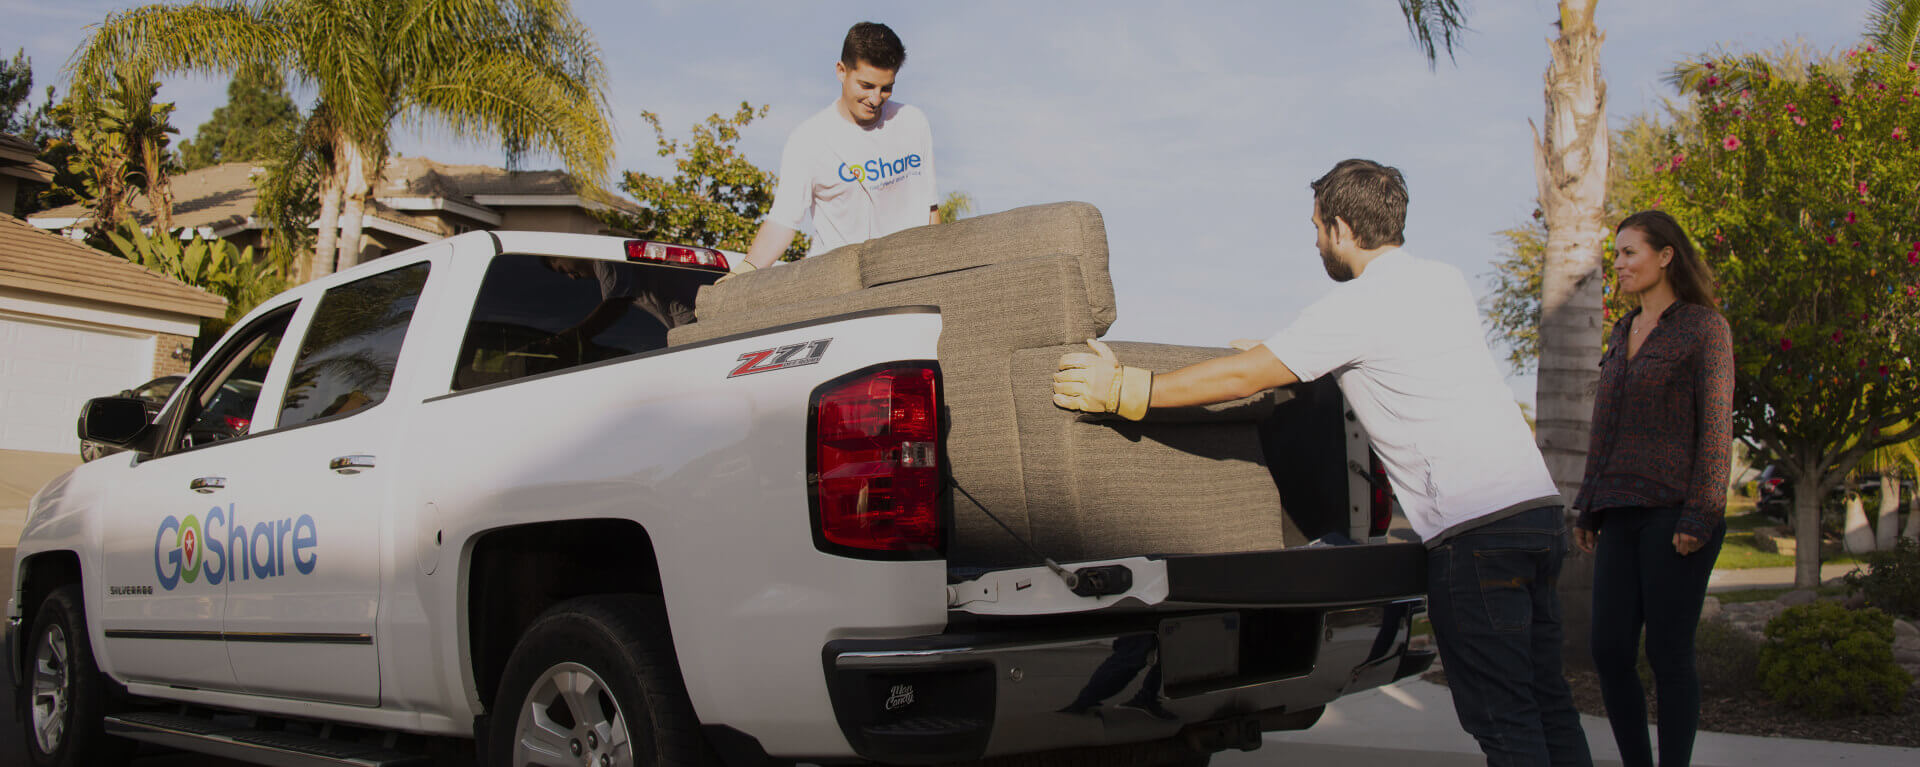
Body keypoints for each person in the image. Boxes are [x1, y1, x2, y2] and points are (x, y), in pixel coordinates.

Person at [1053, 159, 1592, 767]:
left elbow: (1239, 377)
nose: (1314, 243)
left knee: (1505, 722)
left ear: (1339, 227)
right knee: (1548, 704)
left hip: (1476, 540)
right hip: (1537, 518)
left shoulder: (1355, 307)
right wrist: (1275, 350)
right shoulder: (1443, 282)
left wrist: (1130, 389)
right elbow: (1352, 356)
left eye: (1315, 228)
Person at [1572, 210, 1733, 767]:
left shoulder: (1703, 328)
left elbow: (1716, 426)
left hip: (1675, 516)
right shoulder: (1622, 332)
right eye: (1615, 254)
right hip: (1618, 512)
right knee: (1610, 650)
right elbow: (1605, 426)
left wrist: (1702, 513)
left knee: (1668, 654)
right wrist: (1588, 505)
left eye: (1629, 252)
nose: (1618, 264)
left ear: (1666, 256)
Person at [732, 21, 938, 276]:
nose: (875, 99)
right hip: (840, 285)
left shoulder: (913, 122)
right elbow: (783, 221)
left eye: (886, 88)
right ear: (841, 71)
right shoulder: (808, 140)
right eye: (866, 85)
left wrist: (935, 270)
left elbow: (930, 211)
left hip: (905, 276)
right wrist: (742, 271)